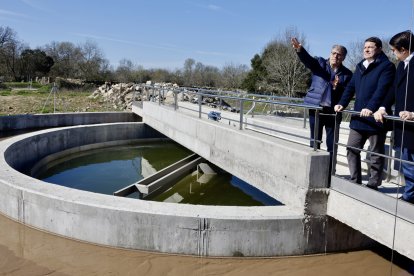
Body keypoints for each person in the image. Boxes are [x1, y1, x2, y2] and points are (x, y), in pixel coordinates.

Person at [334, 37, 396, 190]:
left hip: (375, 117)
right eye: (365, 47)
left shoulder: (386, 66)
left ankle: (374, 183)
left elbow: (382, 90)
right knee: (351, 148)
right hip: (358, 116)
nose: (366, 50)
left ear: (380, 49)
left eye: (371, 47)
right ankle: (355, 180)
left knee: (376, 153)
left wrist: (371, 107)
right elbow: (350, 87)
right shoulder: (360, 65)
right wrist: (342, 103)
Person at [291, 38, 353, 172]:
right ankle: (314, 170)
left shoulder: (347, 74)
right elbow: (308, 61)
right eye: (333, 53)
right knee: (315, 141)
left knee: (332, 144)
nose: (335, 56)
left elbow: (348, 93)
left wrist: (338, 87)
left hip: (333, 112)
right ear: (330, 53)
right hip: (317, 110)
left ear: (343, 57)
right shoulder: (319, 64)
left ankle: (330, 172)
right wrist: (300, 50)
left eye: (339, 54)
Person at [374, 30, 414, 203]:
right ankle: (410, 193)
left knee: (410, 162)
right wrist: (383, 107)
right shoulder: (402, 65)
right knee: (406, 162)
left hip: (411, 122)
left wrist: (413, 113)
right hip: (402, 125)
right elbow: (393, 90)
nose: (392, 53)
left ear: (403, 49)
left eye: (394, 50)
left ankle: (410, 195)